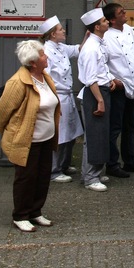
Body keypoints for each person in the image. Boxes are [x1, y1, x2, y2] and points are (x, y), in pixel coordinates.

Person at [0, 40, 60, 232]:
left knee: (42, 176)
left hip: (47, 138)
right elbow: (1, 111)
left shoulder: (45, 77)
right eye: (42, 55)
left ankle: (35, 211)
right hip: (27, 140)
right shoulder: (18, 82)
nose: (46, 56)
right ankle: (21, 215)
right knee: (26, 178)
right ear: (33, 62)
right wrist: (11, 133)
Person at [103, 3, 134, 177]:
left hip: (133, 85)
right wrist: (113, 80)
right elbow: (102, 63)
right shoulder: (106, 37)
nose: (125, 14)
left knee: (130, 126)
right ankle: (112, 164)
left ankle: (130, 160)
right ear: (112, 19)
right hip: (118, 88)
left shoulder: (129, 31)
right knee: (115, 127)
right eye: (121, 13)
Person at [38, 16, 86, 183]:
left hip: (67, 96)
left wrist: (89, 35)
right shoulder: (46, 52)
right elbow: (46, 78)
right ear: (52, 34)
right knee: (59, 135)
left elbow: (78, 49)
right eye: (60, 29)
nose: (63, 31)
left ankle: (64, 165)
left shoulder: (60, 47)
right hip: (57, 96)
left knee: (70, 134)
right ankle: (54, 170)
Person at [78, 8, 118, 192]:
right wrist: (100, 100)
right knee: (94, 136)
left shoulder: (98, 44)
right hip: (95, 93)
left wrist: (109, 79)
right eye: (104, 21)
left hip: (101, 90)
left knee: (100, 134)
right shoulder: (91, 48)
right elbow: (90, 78)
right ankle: (90, 177)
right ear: (96, 26)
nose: (107, 22)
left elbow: (101, 69)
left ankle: (93, 172)